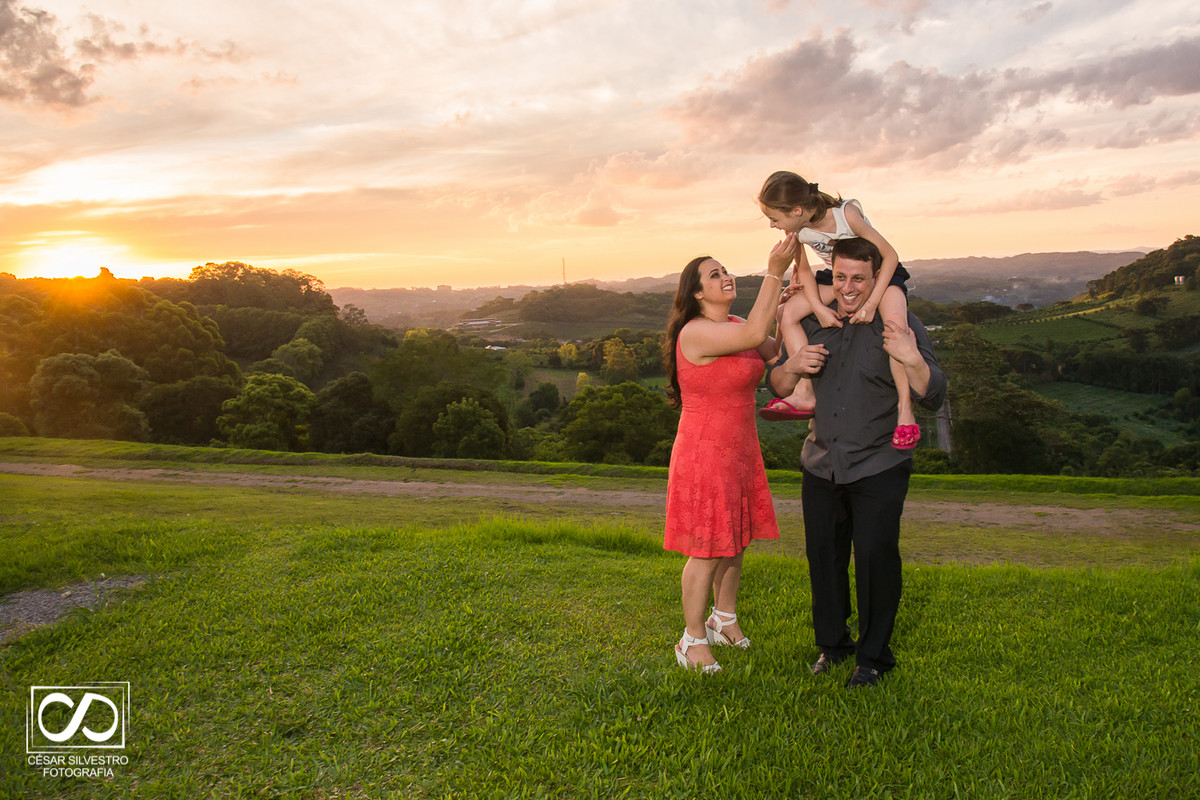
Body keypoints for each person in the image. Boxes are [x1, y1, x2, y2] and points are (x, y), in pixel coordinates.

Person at [766, 237, 947, 688]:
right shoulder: (813, 321)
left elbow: (935, 391)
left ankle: (872, 658)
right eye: (840, 277)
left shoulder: (900, 323)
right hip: (821, 462)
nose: (848, 288)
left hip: (879, 463)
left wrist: (912, 360)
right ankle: (832, 646)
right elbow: (779, 385)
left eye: (858, 279)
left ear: (878, 278)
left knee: (874, 556)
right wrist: (792, 367)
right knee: (824, 558)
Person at [662, 236, 797, 673]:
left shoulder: (738, 322)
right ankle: (692, 639)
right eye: (714, 274)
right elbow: (755, 337)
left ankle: (725, 617)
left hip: (740, 447)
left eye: (725, 270)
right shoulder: (696, 331)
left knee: (736, 540)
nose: (726, 277)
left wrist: (788, 308)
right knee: (707, 547)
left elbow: (774, 350)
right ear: (696, 294)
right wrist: (775, 271)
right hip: (705, 451)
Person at [756, 171, 921, 450]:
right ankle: (805, 391)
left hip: (880, 274)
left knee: (897, 330)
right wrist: (819, 307)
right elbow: (804, 270)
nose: (772, 224)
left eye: (774, 218)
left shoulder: (847, 215)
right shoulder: (795, 229)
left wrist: (871, 304)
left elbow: (891, 255)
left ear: (796, 210)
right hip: (840, 276)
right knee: (787, 313)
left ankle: (905, 411)